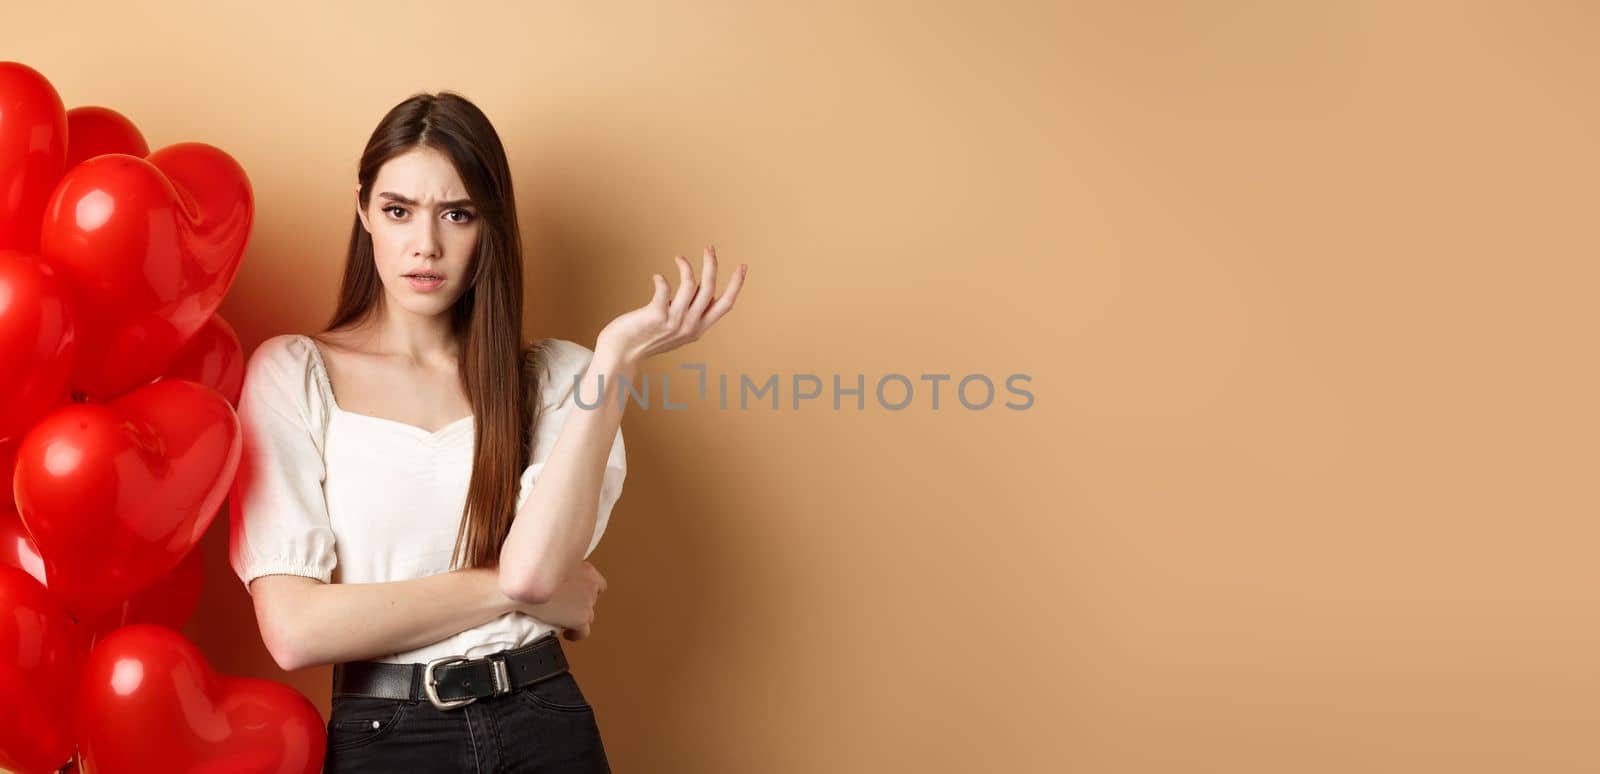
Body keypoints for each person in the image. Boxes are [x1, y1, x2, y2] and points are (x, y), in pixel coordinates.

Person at [226, 91, 747, 773]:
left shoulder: (560, 377)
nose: (426, 244)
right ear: (364, 214)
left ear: (490, 225)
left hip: (543, 722)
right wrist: (510, 592)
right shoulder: (295, 374)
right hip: (389, 736)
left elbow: (534, 569)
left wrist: (617, 361)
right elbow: (296, 630)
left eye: (457, 214)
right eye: (398, 210)